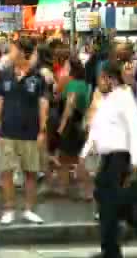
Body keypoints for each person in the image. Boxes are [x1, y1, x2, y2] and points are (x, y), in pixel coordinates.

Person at [84, 62, 137, 258]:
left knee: (108, 204)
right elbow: (96, 129)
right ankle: (131, 214)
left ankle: (112, 250)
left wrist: (135, 161)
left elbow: (135, 129)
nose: (99, 83)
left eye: (101, 79)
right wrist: (84, 154)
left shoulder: (125, 98)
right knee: (103, 196)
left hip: (121, 157)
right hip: (108, 158)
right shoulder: (106, 100)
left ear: (110, 79)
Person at [0, 38, 48, 225]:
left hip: (30, 132)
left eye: (13, 50)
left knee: (31, 172)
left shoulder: (38, 77)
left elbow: (43, 104)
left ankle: (29, 210)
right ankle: (9, 209)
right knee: (6, 171)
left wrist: (42, 131)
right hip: (7, 130)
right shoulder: (4, 74)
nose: (10, 53)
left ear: (24, 52)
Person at [56, 57, 89, 197]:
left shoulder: (73, 84)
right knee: (73, 158)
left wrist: (61, 126)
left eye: (66, 65)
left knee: (67, 158)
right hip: (80, 123)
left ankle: (86, 190)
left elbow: (69, 105)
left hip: (71, 125)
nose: (64, 68)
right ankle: (66, 187)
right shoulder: (83, 84)